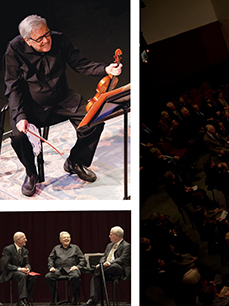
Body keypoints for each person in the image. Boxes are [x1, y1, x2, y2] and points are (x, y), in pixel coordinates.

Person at [4, 15, 123, 196]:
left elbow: (80, 64)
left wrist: (105, 69)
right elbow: (13, 86)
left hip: (63, 98)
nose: (46, 40)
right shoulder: (15, 49)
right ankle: (31, 172)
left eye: (47, 34)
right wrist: (20, 116)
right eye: (39, 39)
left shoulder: (59, 39)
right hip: (30, 106)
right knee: (18, 137)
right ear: (28, 41)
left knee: (95, 120)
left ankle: (75, 161)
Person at [83, 226, 131, 306]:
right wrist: (102, 264)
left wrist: (110, 263)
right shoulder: (109, 245)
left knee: (113, 266)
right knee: (96, 275)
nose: (109, 236)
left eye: (110, 234)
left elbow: (122, 259)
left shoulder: (126, 246)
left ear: (117, 236)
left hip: (118, 268)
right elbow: (104, 257)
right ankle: (93, 299)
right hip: (106, 269)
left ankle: (94, 269)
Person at [45, 231, 86, 304]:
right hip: (59, 269)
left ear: (70, 239)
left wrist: (77, 267)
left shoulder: (75, 247)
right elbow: (50, 258)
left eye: (68, 237)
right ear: (60, 240)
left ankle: (74, 296)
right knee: (48, 277)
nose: (66, 239)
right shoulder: (56, 248)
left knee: (75, 277)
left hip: (71, 269)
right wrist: (51, 267)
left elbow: (83, 259)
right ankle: (55, 296)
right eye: (64, 237)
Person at [0, 232, 37, 306]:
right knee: (22, 276)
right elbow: (6, 265)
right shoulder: (8, 249)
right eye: (24, 238)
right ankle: (22, 300)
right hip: (10, 272)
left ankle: (25, 298)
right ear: (18, 240)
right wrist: (20, 269)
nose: (26, 240)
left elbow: (27, 263)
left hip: (21, 272)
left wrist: (28, 268)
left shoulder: (25, 251)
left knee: (33, 277)